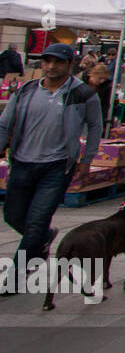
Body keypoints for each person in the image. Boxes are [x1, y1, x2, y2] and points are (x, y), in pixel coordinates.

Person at [0, 44, 103, 286]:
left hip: (57, 167)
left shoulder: (83, 94)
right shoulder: (26, 90)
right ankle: (43, 238)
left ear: (70, 65)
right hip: (22, 163)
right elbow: (5, 123)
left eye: (57, 62)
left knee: (37, 219)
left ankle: (15, 277)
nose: (51, 66)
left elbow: (95, 126)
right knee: (13, 216)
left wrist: (87, 159)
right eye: (47, 61)